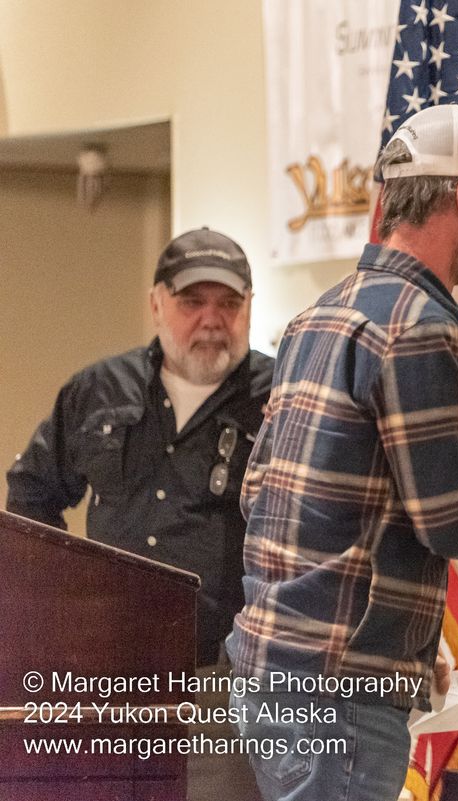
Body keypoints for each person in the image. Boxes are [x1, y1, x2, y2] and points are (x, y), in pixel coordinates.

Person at [225, 103, 458, 801]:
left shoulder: (316, 315)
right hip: (341, 698)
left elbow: (262, 496)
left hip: (273, 674)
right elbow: (454, 522)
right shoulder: (422, 328)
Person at [6, 227, 273, 668]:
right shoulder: (98, 390)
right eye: (192, 302)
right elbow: (31, 494)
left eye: (229, 304)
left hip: (229, 668)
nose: (211, 319)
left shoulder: (283, 397)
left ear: (249, 307)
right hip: (107, 658)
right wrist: (63, 598)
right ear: (155, 305)